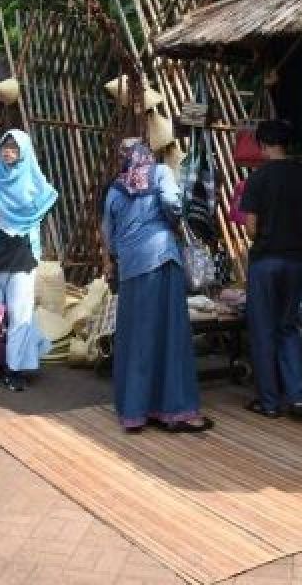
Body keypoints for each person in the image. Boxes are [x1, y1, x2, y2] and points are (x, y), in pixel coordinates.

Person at [101, 138, 211, 434]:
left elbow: (107, 234)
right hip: (161, 260)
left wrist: (115, 258)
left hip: (130, 267)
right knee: (170, 334)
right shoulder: (160, 172)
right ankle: (176, 410)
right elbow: (173, 204)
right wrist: (175, 224)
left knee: (136, 336)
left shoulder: (115, 187)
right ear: (146, 154)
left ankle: (135, 412)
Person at [239, 119, 302, 420]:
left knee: (263, 331)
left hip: (266, 261)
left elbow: (250, 228)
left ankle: (270, 402)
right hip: (296, 261)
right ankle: (298, 397)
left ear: (262, 145)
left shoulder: (258, 178)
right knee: (287, 328)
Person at [0, 130, 59, 392]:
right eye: (4, 147)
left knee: (21, 313)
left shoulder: (36, 183)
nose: (8, 152)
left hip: (22, 254)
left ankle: (15, 368)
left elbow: (46, 199)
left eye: (14, 148)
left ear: (25, 151)